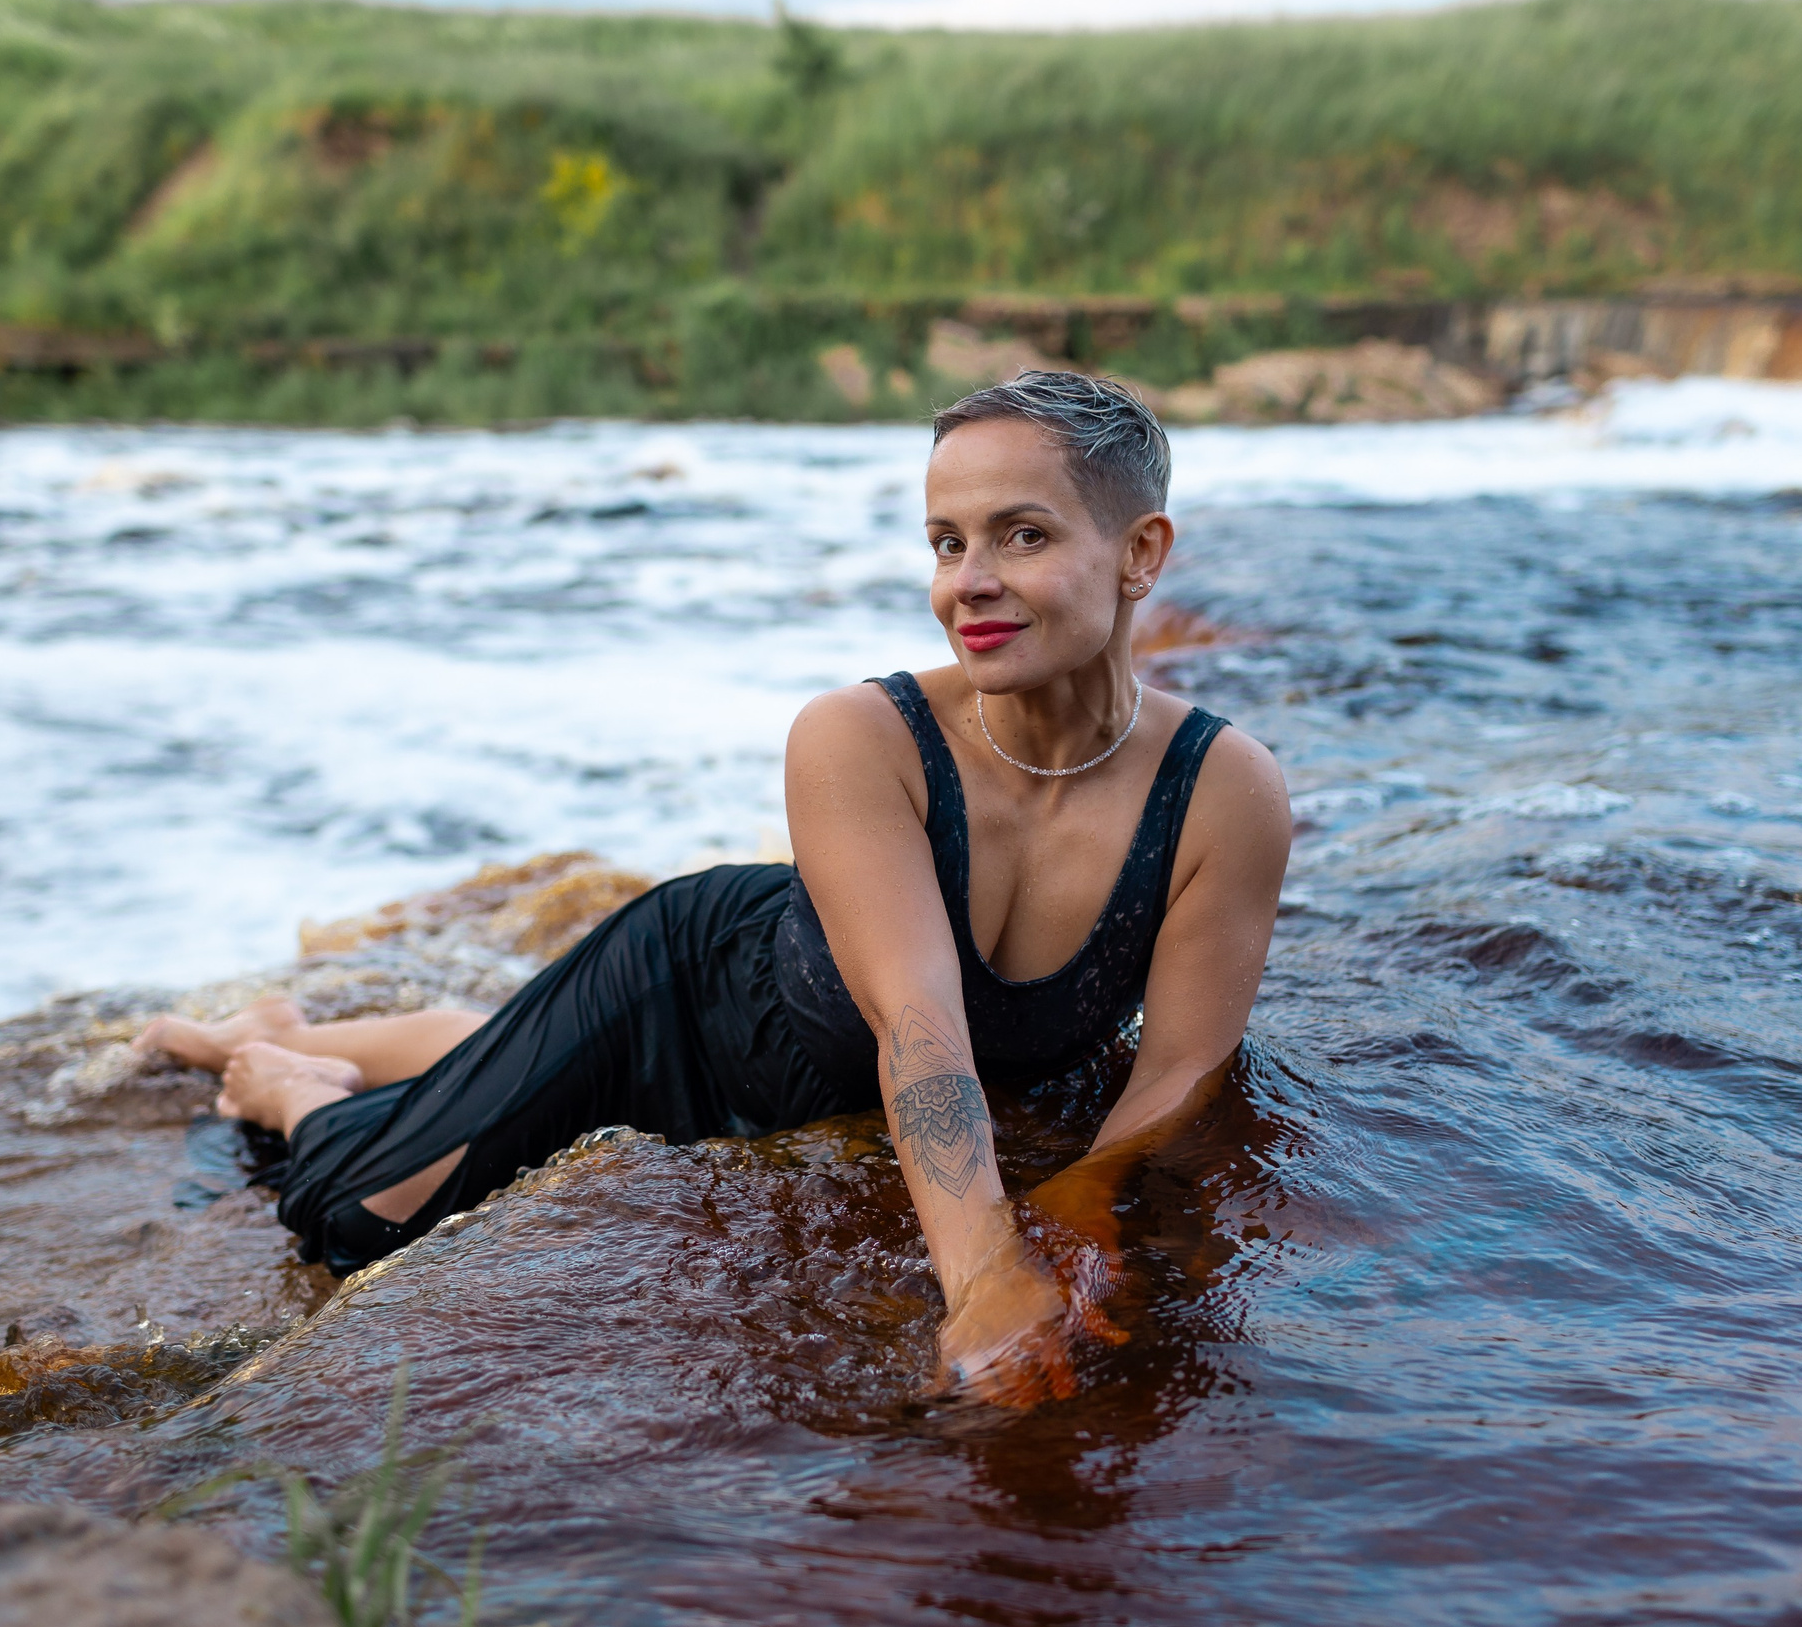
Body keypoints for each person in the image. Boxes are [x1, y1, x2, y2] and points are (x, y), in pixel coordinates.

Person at [140, 371, 1291, 1404]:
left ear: (1141, 553)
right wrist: (986, 1271)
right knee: (362, 1216)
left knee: (507, 1061)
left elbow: (1180, 1069)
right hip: (691, 996)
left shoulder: (1220, 792)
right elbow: (921, 1028)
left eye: (1021, 535)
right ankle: (285, 1066)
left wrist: (1080, 1220)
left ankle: (436, 1042)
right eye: (945, 543)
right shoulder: (862, 735)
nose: (970, 585)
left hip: (816, 1032)